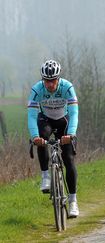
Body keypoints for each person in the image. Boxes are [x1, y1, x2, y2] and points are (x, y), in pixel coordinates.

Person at [27, 60, 80, 217]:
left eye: (53, 80)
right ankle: (45, 177)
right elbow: (31, 115)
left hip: (63, 120)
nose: (50, 84)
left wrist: (70, 134)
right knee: (41, 138)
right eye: (47, 81)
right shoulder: (37, 90)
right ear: (43, 79)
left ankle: (73, 202)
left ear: (58, 78)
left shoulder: (67, 87)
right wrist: (34, 136)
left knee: (69, 159)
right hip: (46, 120)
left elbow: (74, 113)